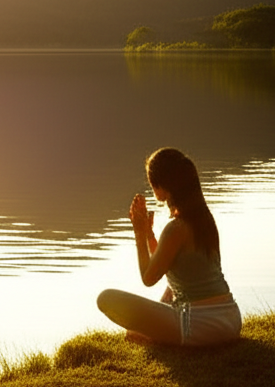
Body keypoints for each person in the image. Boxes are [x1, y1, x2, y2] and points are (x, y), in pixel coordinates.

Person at [97, 147, 241, 346]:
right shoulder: (205, 220)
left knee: (105, 298)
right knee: (171, 286)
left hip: (198, 325)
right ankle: (155, 330)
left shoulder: (176, 228)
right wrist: (149, 234)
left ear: (163, 186)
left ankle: (155, 335)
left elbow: (148, 277)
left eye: (153, 183)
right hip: (231, 320)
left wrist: (138, 233)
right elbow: (166, 263)